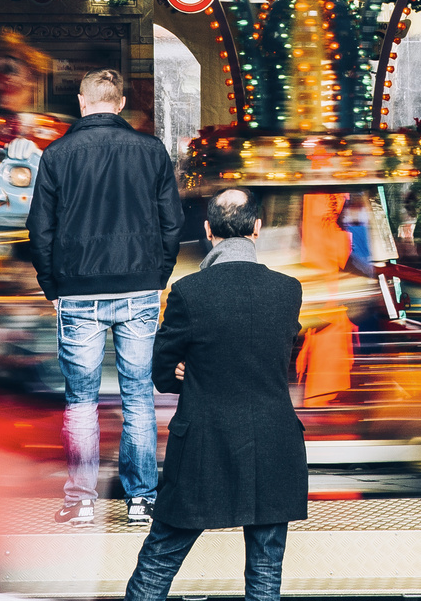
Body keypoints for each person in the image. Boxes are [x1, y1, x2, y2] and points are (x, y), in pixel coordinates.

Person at [124, 189, 305, 601]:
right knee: (265, 572)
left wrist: (191, 371)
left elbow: (162, 372)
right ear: (258, 229)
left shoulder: (189, 291)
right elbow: (270, 357)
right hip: (273, 444)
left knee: (159, 560)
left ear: (207, 231)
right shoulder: (288, 290)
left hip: (204, 445)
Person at [26, 67, 184, 528]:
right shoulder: (151, 151)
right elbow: (172, 223)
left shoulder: (56, 154)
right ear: (119, 104)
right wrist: (158, 276)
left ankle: (81, 501)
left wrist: (52, 286)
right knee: (138, 397)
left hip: (77, 292)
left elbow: (40, 229)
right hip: (138, 289)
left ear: (82, 102)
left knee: (81, 400)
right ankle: (141, 501)